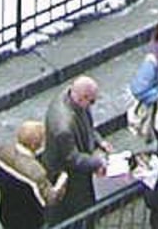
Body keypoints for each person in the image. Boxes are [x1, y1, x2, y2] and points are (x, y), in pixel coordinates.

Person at [39, 76, 111, 217]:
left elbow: (87, 125)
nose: (92, 105)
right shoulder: (63, 127)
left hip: (76, 163)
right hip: (68, 175)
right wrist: (99, 162)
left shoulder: (71, 95)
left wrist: (99, 141)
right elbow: (72, 158)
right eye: (91, 101)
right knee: (78, 209)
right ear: (81, 98)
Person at [0, 119, 57, 229]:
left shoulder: (2, 152)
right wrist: (61, 182)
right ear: (34, 144)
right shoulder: (36, 172)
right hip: (29, 222)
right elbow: (47, 199)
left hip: (6, 213)